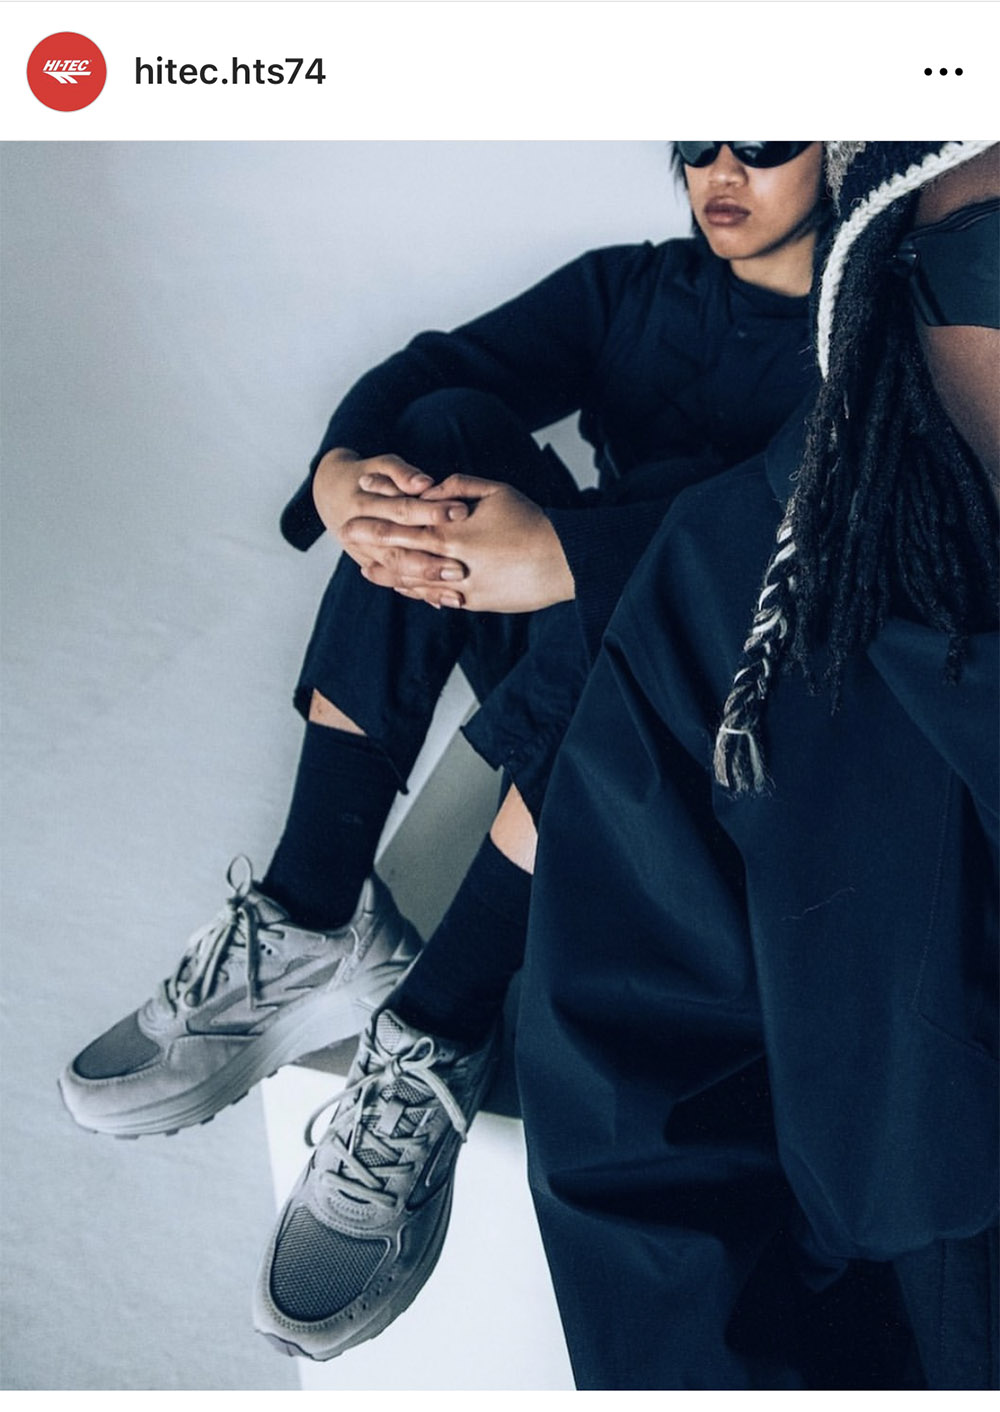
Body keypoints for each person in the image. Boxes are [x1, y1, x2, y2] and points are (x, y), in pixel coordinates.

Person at [58, 145, 827, 1358]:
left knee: (649, 584)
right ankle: (311, 908)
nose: (721, 168)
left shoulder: (873, 323)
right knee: (437, 432)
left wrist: (572, 557)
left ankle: (439, 1026)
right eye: (698, 139)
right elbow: (435, 370)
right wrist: (342, 478)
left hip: (735, 704)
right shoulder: (635, 286)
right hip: (566, 656)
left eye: (768, 136)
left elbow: (807, 542)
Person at [516, 140, 999, 1388]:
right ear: (883, 275)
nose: (721, 171)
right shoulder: (729, 582)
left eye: (760, 141)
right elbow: (643, 1118)